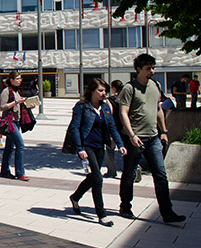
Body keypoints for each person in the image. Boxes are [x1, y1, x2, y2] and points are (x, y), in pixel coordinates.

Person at [118, 53, 186, 223]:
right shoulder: (129, 88)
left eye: (153, 68)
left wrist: (164, 130)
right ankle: (125, 206)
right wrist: (131, 135)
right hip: (135, 139)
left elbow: (158, 109)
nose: (152, 71)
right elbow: (123, 113)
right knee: (129, 173)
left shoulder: (154, 85)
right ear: (139, 69)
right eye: (149, 68)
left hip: (153, 137)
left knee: (161, 174)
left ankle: (167, 212)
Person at [68, 79, 127, 226]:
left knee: (92, 177)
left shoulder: (105, 107)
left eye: (105, 90)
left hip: (99, 146)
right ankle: (101, 214)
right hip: (86, 145)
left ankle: (75, 197)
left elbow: (112, 127)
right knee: (98, 179)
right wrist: (80, 148)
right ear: (92, 91)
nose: (104, 93)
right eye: (100, 90)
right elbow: (75, 128)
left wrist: (120, 144)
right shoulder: (82, 107)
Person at [0, 70, 36, 181]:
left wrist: (29, 105)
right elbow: (3, 107)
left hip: (17, 121)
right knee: (20, 145)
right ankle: (20, 173)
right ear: (11, 80)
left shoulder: (18, 91)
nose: (20, 81)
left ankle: (5, 171)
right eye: (17, 79)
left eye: (20, 78)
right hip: (10, 122)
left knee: (9, 148)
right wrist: (16, 102)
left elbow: (21, 106)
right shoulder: (6, 91)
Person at [104, 80, 125, 178]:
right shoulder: (126, 98)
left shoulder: (111, 100)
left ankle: (111, 171)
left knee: (110, 150)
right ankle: (134, 168)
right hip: (125, 128)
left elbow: (109, 115)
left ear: (113, 88)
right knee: (126, 149)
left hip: (114, 128)